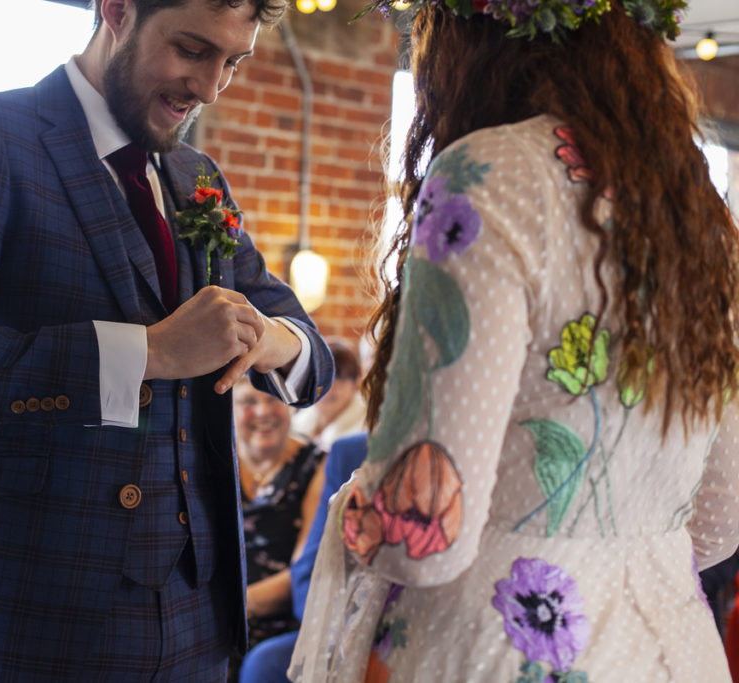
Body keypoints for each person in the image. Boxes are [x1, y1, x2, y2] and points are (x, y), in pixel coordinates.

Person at [0, 0, 334, 677]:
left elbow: (310, 353)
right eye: (192, 49)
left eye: (232, 62)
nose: (208, 87)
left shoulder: (197, 177)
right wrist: (149, 354)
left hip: (196, 624)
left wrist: (269, 338)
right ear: (116, 9)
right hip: (27, 615)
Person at [290, 1, 739, 681]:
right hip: (674, 651)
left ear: (475, 38)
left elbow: (426, 539)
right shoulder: (702, 214)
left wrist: (359, 504)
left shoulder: (490, 176)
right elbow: (718, 523)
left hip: (496, 647)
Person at [237, 432, 366, 683]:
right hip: (337, 620)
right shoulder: (350, 451)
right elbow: (310, 567)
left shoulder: (313, 462)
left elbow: (297, 570)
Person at [233, 377, 326, 656]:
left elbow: (305, 571)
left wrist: (233, 608)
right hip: (213, 615)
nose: (262, 411)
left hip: (278, 623)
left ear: (291, 406)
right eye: (249, 401)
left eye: (273, 399)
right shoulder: (212, 461)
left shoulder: (318, 466)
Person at [291, 337, 367, 451]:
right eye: (320, 378)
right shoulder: (297, 424)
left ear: (355, 383)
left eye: (339, 378)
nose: (328, 388)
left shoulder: (366, 431)